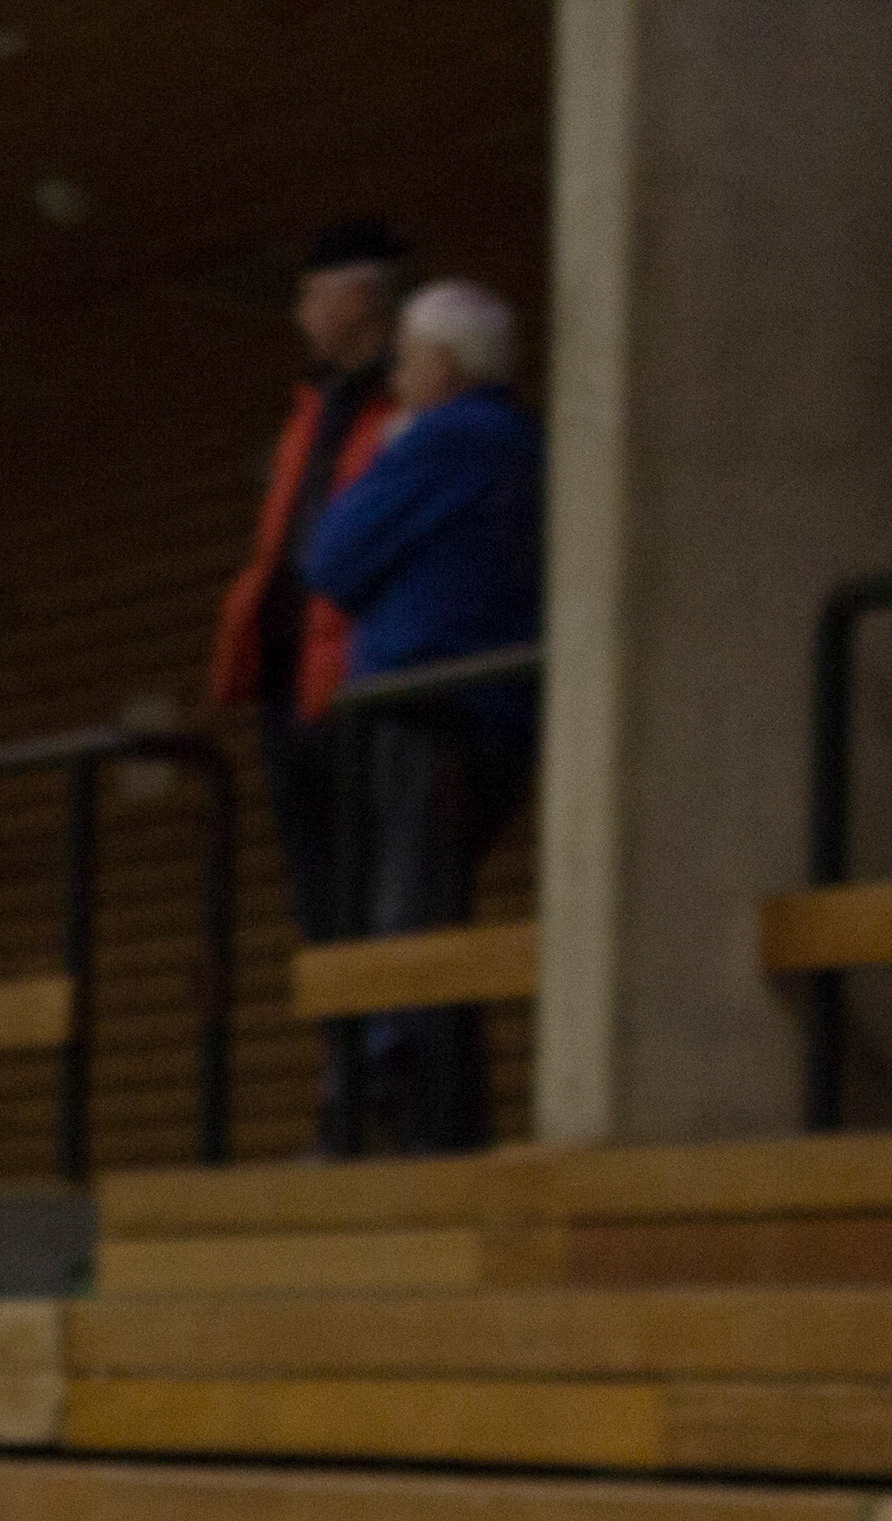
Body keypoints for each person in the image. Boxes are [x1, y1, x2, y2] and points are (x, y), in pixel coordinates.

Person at [302, 278, 544, 1155]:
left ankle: (415, 1121)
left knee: (412, 914)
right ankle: (428, 1115)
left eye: (405, 358)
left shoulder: (448, 442)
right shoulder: (520, 445)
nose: (397, 377)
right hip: (485, 711)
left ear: (442, 364)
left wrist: (392, 455)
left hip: (429, 708)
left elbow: (331, 555)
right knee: (426, 909)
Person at [208, 215, 415, 1152]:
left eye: (312, 292)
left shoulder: (405, 412)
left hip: (361, 690)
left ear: (357, 299)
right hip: (292, 691)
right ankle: (342, 1100)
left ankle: (388, 1104)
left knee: (383, 904)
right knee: (322, 907)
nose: (299, 312)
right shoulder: (312, 414)